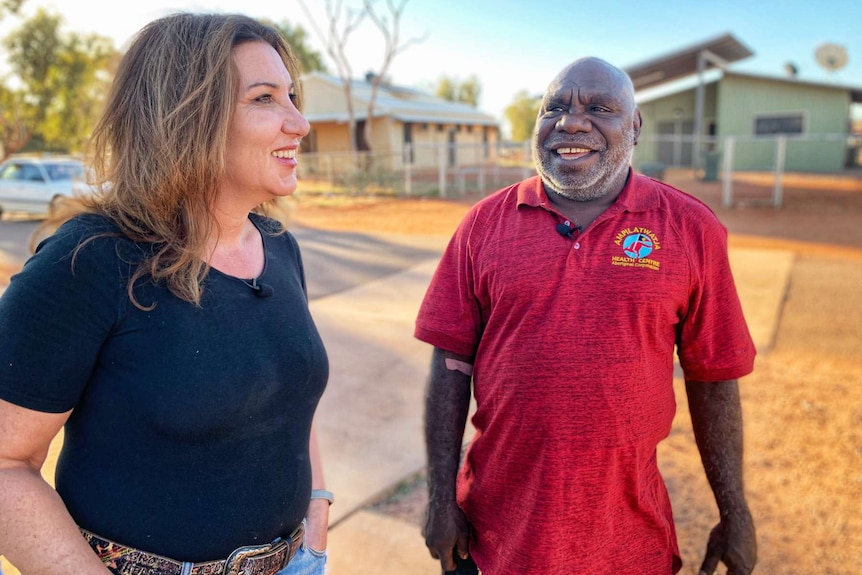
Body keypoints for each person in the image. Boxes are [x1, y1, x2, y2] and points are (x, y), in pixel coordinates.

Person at [0, 13, 331, 575]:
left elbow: (289, 395)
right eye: (265, 98)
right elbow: (7, 463)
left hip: (298, 560)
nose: (299, 123)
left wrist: (317, 510)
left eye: (292, 96)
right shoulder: (90, 261)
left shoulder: (278, 246)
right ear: (186, 116)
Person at [416, 57, 757, 575]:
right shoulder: (483, 225)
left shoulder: (690, 229)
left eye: (600, 108)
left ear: (635, 127)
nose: (572, 122)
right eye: (555, 107)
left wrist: (735, 514)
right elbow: (450, 364)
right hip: (493, 539)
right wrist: (440, 498)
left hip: (630, 543)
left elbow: (713, 379)